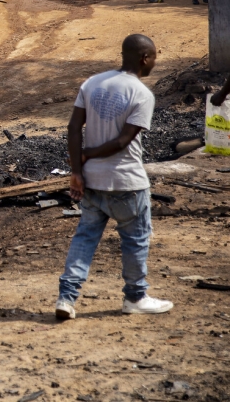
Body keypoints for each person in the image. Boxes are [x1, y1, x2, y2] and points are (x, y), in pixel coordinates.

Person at [56, 34, 173, 320]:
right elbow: (122, 142)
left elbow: (73, 128)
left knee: (84, 238)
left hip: (92, 182)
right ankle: (135, 297)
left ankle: (66, 298)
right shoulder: (142, 94)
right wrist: (86, 155)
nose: (155, 62)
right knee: (135, 239)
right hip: (127, 182)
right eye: (155, 57)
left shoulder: (93, 83)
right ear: (145, 58)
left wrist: (77, 170)